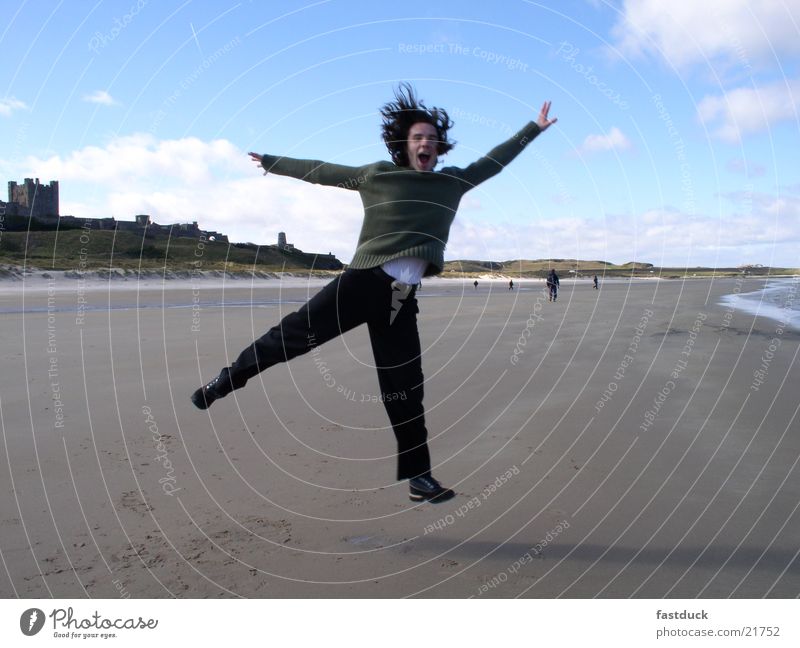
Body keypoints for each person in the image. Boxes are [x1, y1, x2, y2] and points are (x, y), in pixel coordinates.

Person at [191, 83, 557, 504]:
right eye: (418, 137)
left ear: (439, 149)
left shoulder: (452, 183)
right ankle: (227, 380)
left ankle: (419, 478)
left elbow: (494, 161)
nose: (425, 143)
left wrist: (534, 128)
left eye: (432, 140)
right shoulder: (377, 176)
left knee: (406, 387)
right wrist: (273, 162)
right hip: (362, 283)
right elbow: (322, 170)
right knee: (291, 338)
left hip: (402, 297)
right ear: (405, 144)